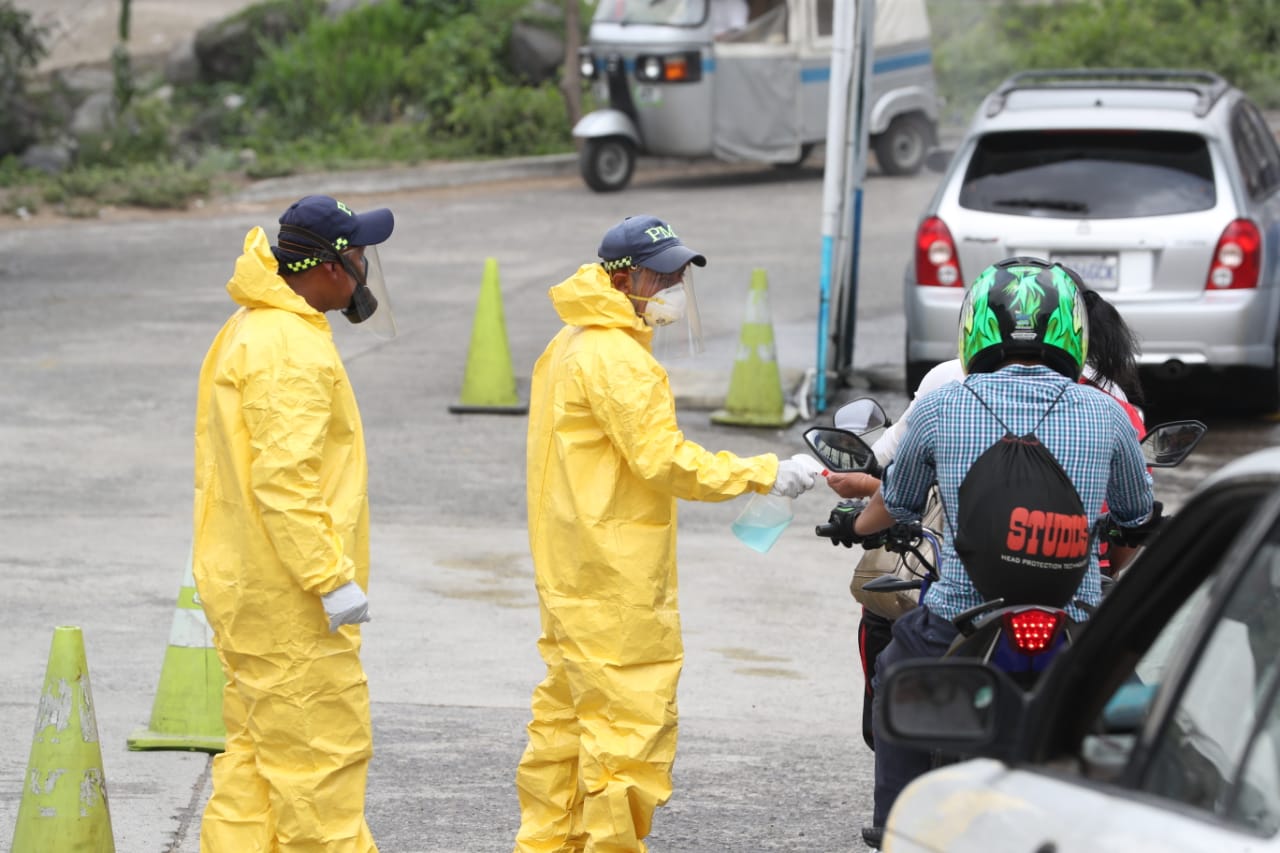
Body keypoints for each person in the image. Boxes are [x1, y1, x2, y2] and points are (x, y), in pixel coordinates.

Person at [513, 214, 825, 853]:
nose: (675, 289)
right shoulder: (618, 358)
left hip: (571, 566)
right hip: (615, 575)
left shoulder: (571, 341)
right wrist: (764, 472)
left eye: (680, 275)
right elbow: (666, 461)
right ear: (622, 279)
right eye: (663, 277)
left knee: (566, 727)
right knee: (628, 734)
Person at [830, 257, 1156, 849]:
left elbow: (896, 506)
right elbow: (1136, 519)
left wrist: (854, 525)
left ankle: (896, 828)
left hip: (959, 616)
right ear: (1072, 331)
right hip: (1074, 618)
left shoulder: (943, 405)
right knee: (1135, 715)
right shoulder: (1109, 413)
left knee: (897, 675)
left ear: (975, 327)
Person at [192, 194, 395, 852]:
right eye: (359, 253)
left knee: (254, 770)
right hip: (292, 604)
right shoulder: (289, 348)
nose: (366, 267)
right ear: (331, 266)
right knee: (319, 773)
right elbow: (285, 480)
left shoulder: (253, 326)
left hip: (248, 584)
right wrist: (329, 578)